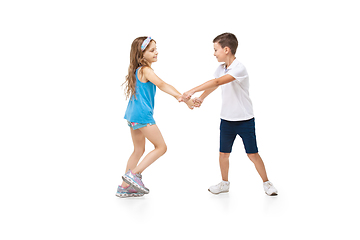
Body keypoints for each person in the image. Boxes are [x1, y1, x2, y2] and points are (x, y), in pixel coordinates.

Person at [182, 33, 278, 196]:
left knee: (252, 154)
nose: (214, 53)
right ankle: (224, 183)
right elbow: (214, 85)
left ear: (226, 49)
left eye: (215, 49)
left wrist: (192, 90)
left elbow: (219, 82)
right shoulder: (220, 68)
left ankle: (267, 183)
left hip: (245, 120)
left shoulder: (239, 67)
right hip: (226, 120)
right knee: (223, 154)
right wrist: (201, 98)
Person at [116, 36, 194, 198]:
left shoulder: (138, 70)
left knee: (138, 150)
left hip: (132, 115)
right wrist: (180, 97)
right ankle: (134, 175)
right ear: (141, 54)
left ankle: (124, 187)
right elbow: (162, 84)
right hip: (142, 116)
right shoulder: (146, 70)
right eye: (152, 50)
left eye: (156, 49)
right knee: (161, 147)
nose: (156, 52)